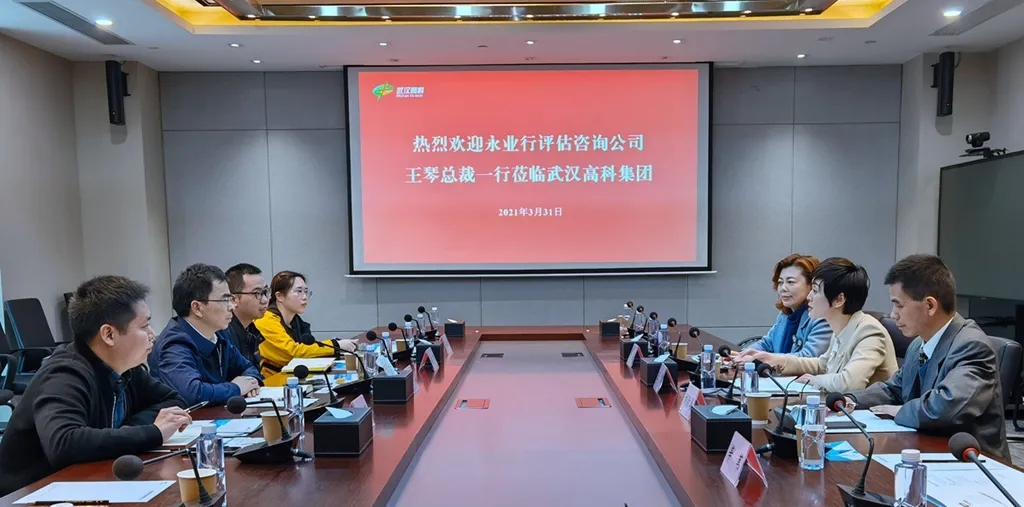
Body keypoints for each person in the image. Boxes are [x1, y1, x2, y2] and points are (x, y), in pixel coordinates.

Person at [0, 276, 190, 496]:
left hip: (88, 481)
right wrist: (152, 433)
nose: (153, 334)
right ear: (109, 334)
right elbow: (64, 443)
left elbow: (173, 400)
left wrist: (131, 428)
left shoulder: (126, 367)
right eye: (145, 325)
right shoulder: (65, 374)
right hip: (32, 493)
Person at [844, 254, 1009, 459]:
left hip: (970, 463)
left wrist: (900, 411)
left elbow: (945, 407)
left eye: (899, 305)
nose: (893, 314)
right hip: (926, 449)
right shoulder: (918, 345)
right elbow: (893, 388)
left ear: (930, 305)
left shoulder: (972, 346)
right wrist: (850, 399)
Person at [752, 257, 898, 393]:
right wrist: (777, 360)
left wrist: (814, 380)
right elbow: (821, 365)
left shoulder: (869, 331)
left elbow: (849, 383)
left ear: (839, 300)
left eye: (815, 291)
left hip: (868, 410)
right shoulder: (841, 328)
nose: (809, 297)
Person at [149, 264, 263, 406]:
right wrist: (236, 388)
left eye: (231, 299)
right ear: (197, 308)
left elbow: (248, 367)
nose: (232, 306)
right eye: (224, 300)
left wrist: (251, 382)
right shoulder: (174, 344)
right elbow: (193, 394)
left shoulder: (218, 334)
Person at [255, 270, 357, 378]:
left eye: (306, 292)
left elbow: (308, 349)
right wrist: (336, 345)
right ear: (279, 296)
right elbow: (293, 353)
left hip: (294, 378)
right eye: (299, 291)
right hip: (271, 381)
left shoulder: (296, 321)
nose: (304, 297)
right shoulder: (265, 320)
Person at [732, 254, 831, 362]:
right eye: (780, 282)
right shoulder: (785, 315)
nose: (783, 288)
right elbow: (767, 343)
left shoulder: (821, 317)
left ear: (811, 286)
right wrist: (741, 355)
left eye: (790, 282)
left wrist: (764, 358)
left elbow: (808, 358)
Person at [224, 263, 269, 371]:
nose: (265, 300)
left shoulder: (251, 330)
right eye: (257, 293)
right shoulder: (224, 335)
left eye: (266, 292)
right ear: (234, 299)